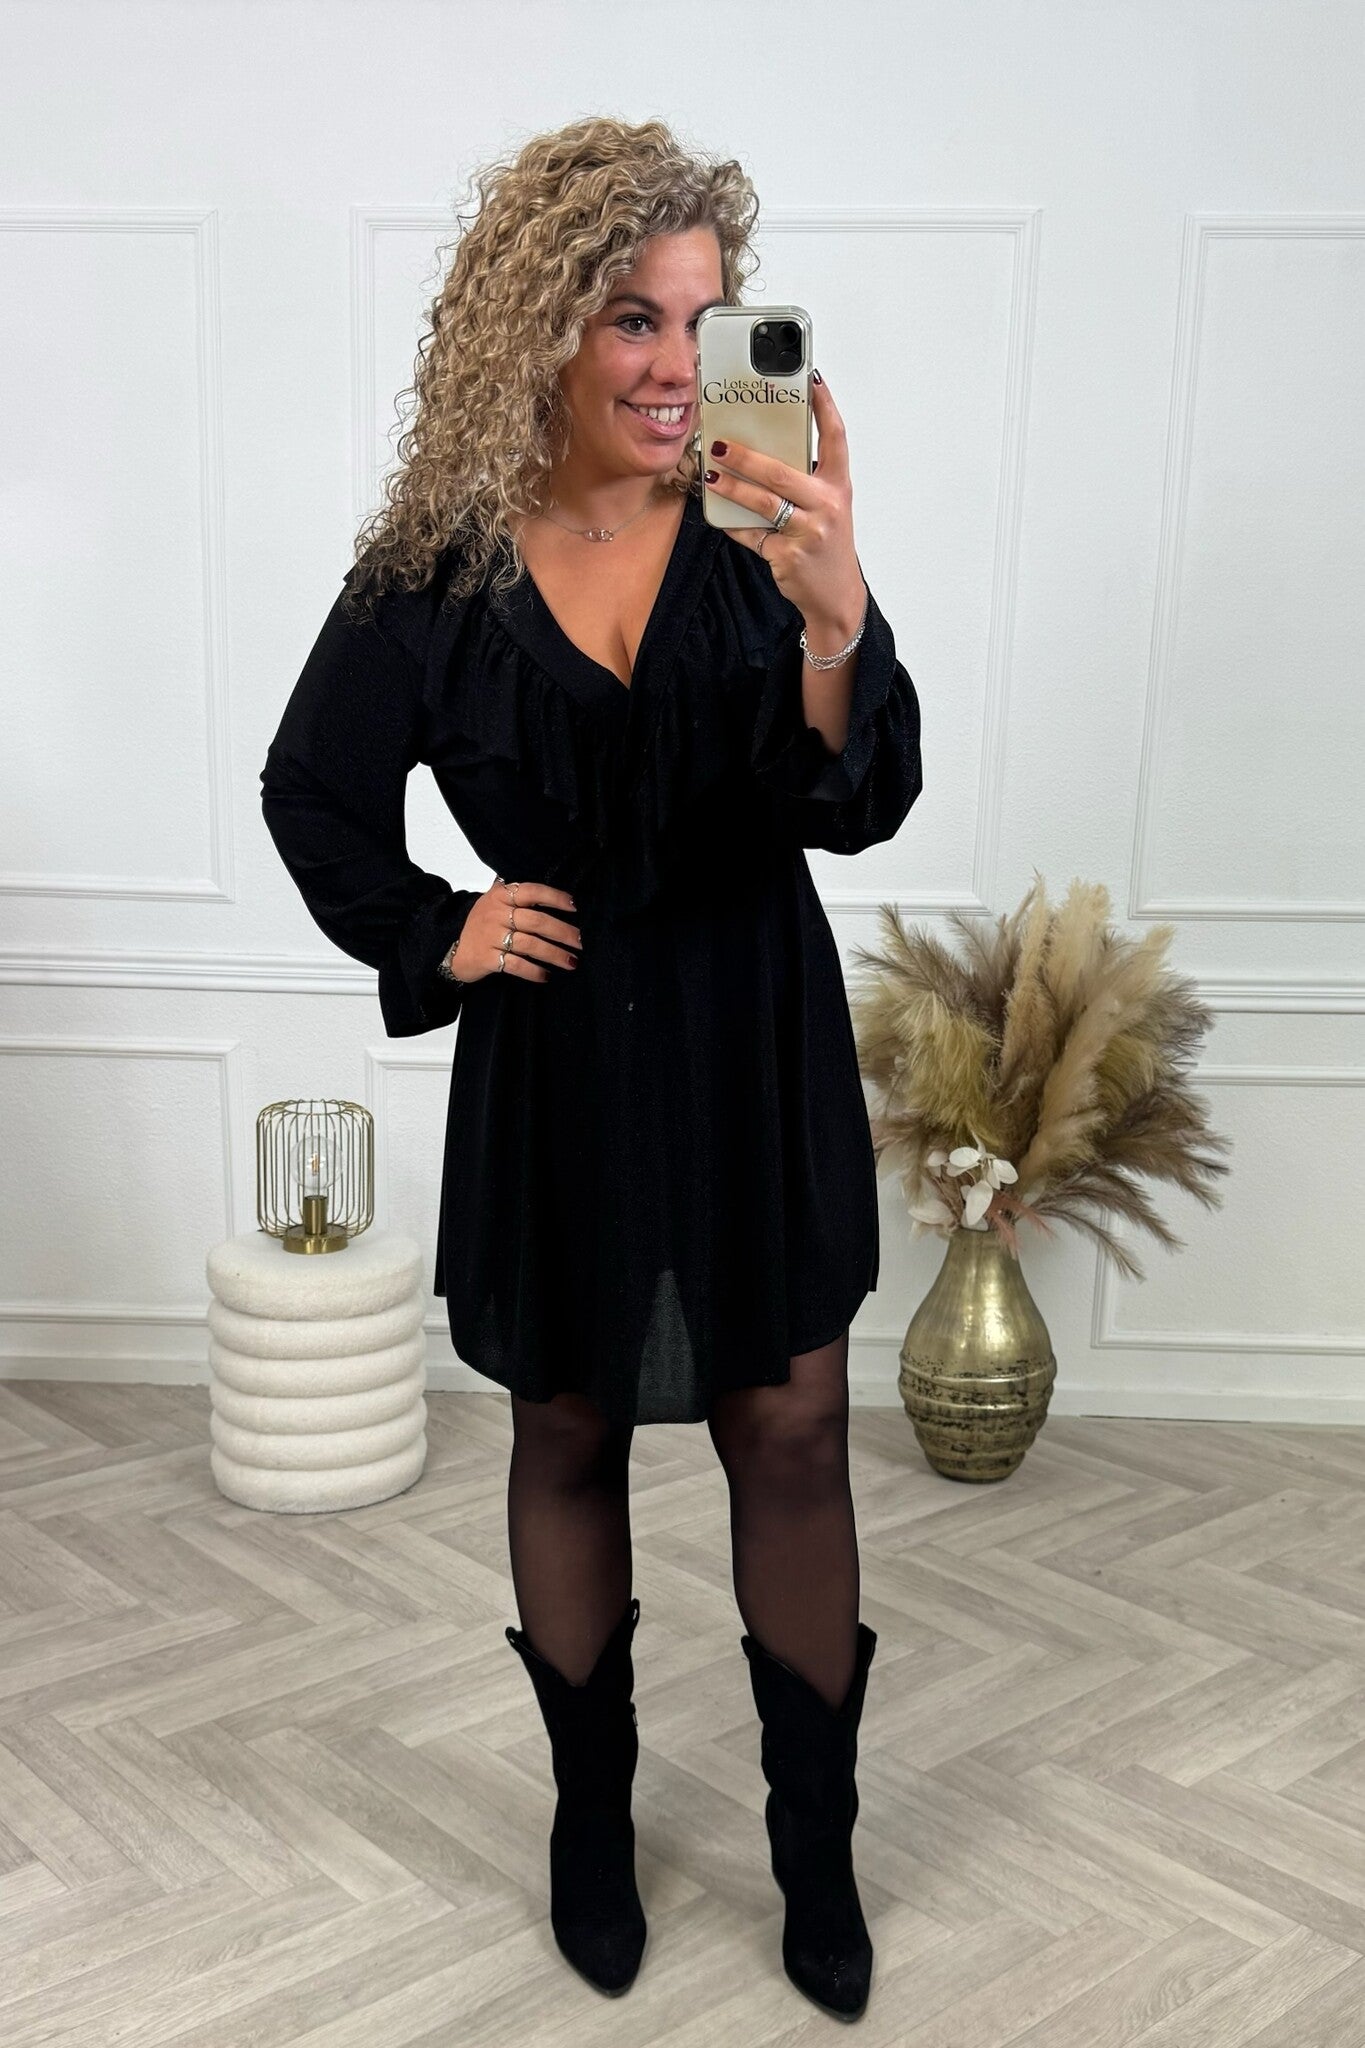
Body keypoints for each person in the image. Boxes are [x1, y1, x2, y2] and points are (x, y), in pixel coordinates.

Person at [260, 116, 922, 2022]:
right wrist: (439, 929)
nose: (672, 364)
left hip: (750, 1035)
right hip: (557, 1060)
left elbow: (854, 803)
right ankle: (587, 1821)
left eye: (705, 321)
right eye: (632, 317)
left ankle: (815, 1848)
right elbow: (312, 789)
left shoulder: (763, 540)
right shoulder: (437, 573)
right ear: (535, 327)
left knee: (788, 1432)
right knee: (563, 1432)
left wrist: (834, 617)